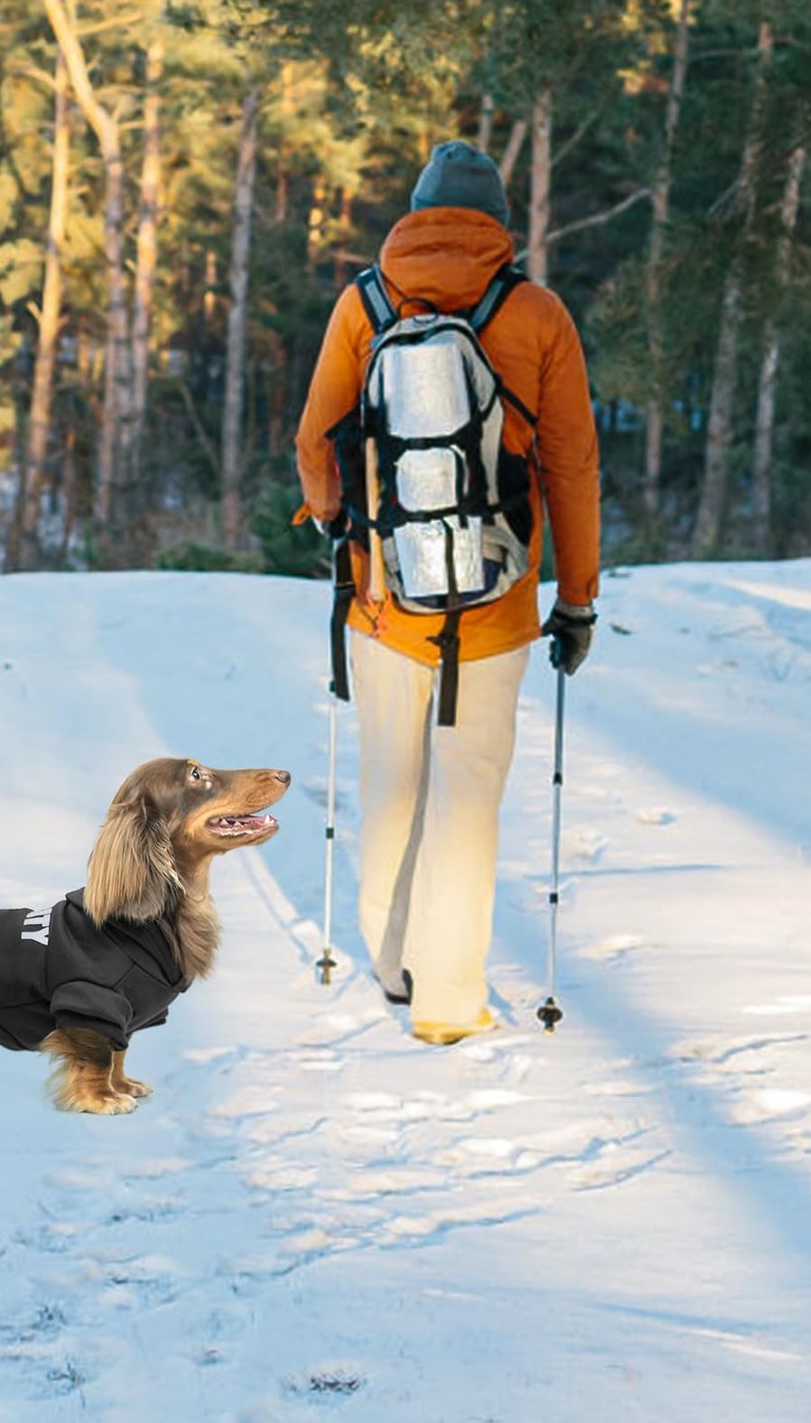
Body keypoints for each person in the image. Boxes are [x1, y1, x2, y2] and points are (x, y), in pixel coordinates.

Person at [295, 139, 600, 1044]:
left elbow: (317, 440)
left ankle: (392, 966)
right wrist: (575, 598)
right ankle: (446, 1001)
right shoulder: (537, 312)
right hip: (497, 609)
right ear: (496, 224)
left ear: (416, 213)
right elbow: (571, 466)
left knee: (392, 784)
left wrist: (334, 525)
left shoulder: (364, 302)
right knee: (466, 800)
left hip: (384, 601)